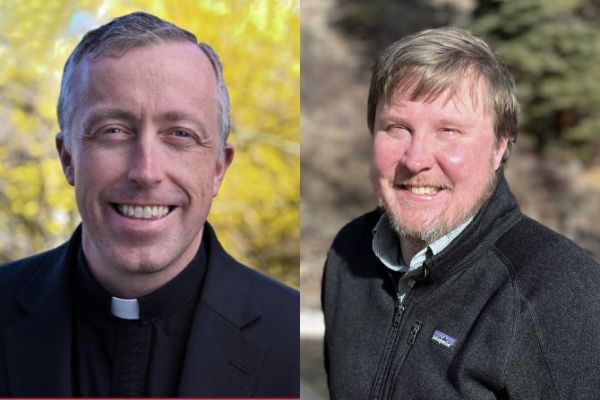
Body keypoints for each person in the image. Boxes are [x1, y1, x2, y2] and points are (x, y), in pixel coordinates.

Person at [0, 12, 298, 397]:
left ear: (218, 168)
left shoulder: (289, 338)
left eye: (180, 134)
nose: (146, 171)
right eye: (113, 131)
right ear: (68, 158)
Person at [322, 27, 600, 399]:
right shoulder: (348, 256)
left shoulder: (561, 291)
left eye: (449, 130)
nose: (416, 159)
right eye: (398, 128)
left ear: (500, 147)